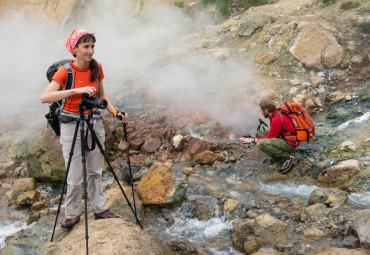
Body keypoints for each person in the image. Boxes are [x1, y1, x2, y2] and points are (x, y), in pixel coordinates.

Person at [40, 29, 127, 229]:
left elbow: (103, 95)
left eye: (92, 46)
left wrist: (115, 113)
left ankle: (99, 208)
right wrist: (76, 91)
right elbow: (44, 97)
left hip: (94, 122)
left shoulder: (96, 67)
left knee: (95, 170)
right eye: (86, 46)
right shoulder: (66, 72)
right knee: (74, 174)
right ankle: (72, 214)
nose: (90, 51)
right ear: (75, 49)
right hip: (71, 124)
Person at [239, 98, 298, 174]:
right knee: (259, 134)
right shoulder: (276, 114)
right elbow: (273, 134)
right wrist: (254, 138)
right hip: (284, 137)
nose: (260, 112)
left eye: (261, 110)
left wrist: (252, 140)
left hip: (290, 144)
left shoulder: (277, 118)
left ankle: (288, 158)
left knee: (261, 143)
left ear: (266, 111)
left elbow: (270, 137)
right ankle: (277, 155)